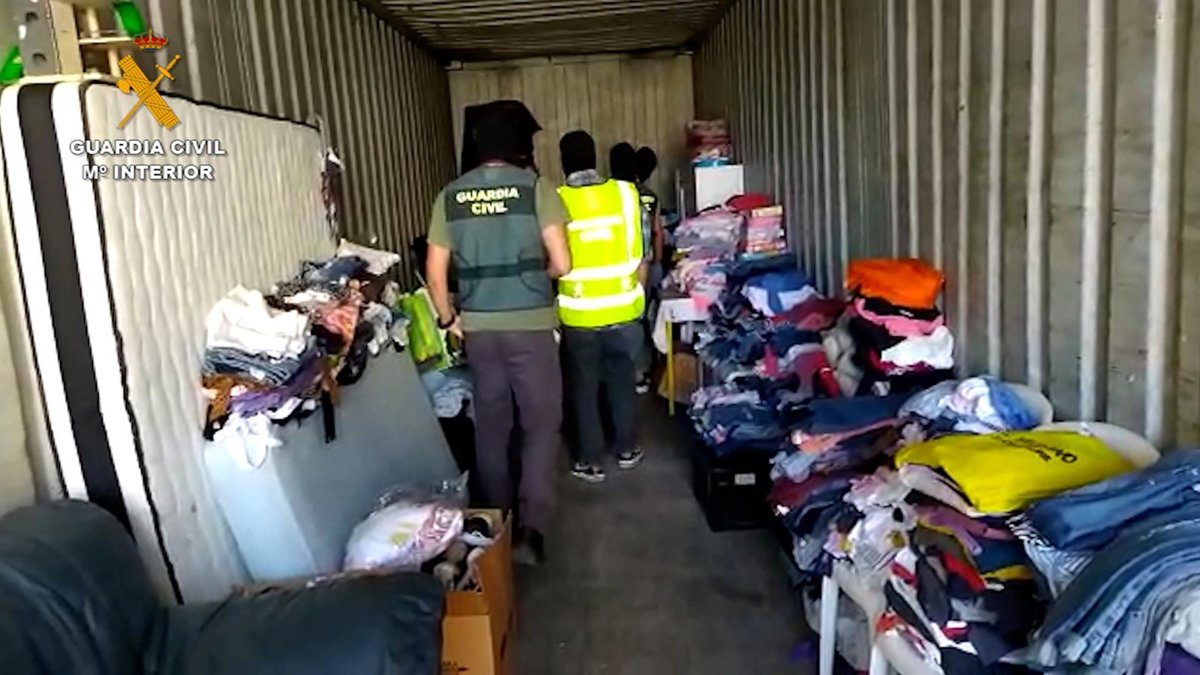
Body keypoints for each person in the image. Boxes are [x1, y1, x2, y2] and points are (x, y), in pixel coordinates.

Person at [426, 106, 572, 565]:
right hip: (531, 327)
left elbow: (435, 273)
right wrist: (539, 275)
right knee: (540, 425)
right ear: (515, 147)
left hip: (480, 330)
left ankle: (493, 526)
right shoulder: (536, 188)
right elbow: (563, 263)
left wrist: (448, 319)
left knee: (491, 426)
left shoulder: (450, 195)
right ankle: (532, 532)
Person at [557, 131, 647, 483]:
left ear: (563, 162)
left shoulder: (556, 201)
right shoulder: (625, 194)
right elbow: (641, 252)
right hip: (623, 308)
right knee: (622, 382)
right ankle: (626, 449)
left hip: (578, 313)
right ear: (595, 158)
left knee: (583, 389)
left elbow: (552, 260)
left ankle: (590, 460)